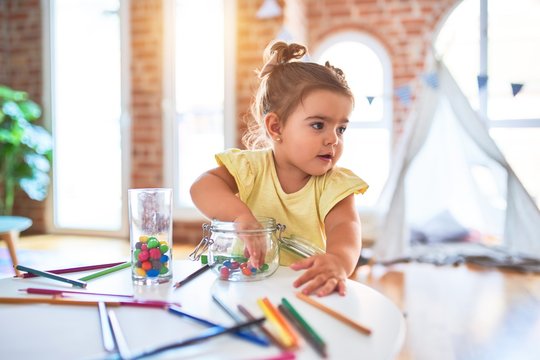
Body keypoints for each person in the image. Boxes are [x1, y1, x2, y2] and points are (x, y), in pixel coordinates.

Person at [190, 40, 368, 297]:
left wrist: (339, 260)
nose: (333, 139)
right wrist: (240, 216)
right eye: (319, 125)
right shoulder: (251, 168)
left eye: (341, 128)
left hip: (303, 290)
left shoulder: (334, 183)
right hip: (246, 288)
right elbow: (202, 187)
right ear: (276, 127)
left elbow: (345, 227)